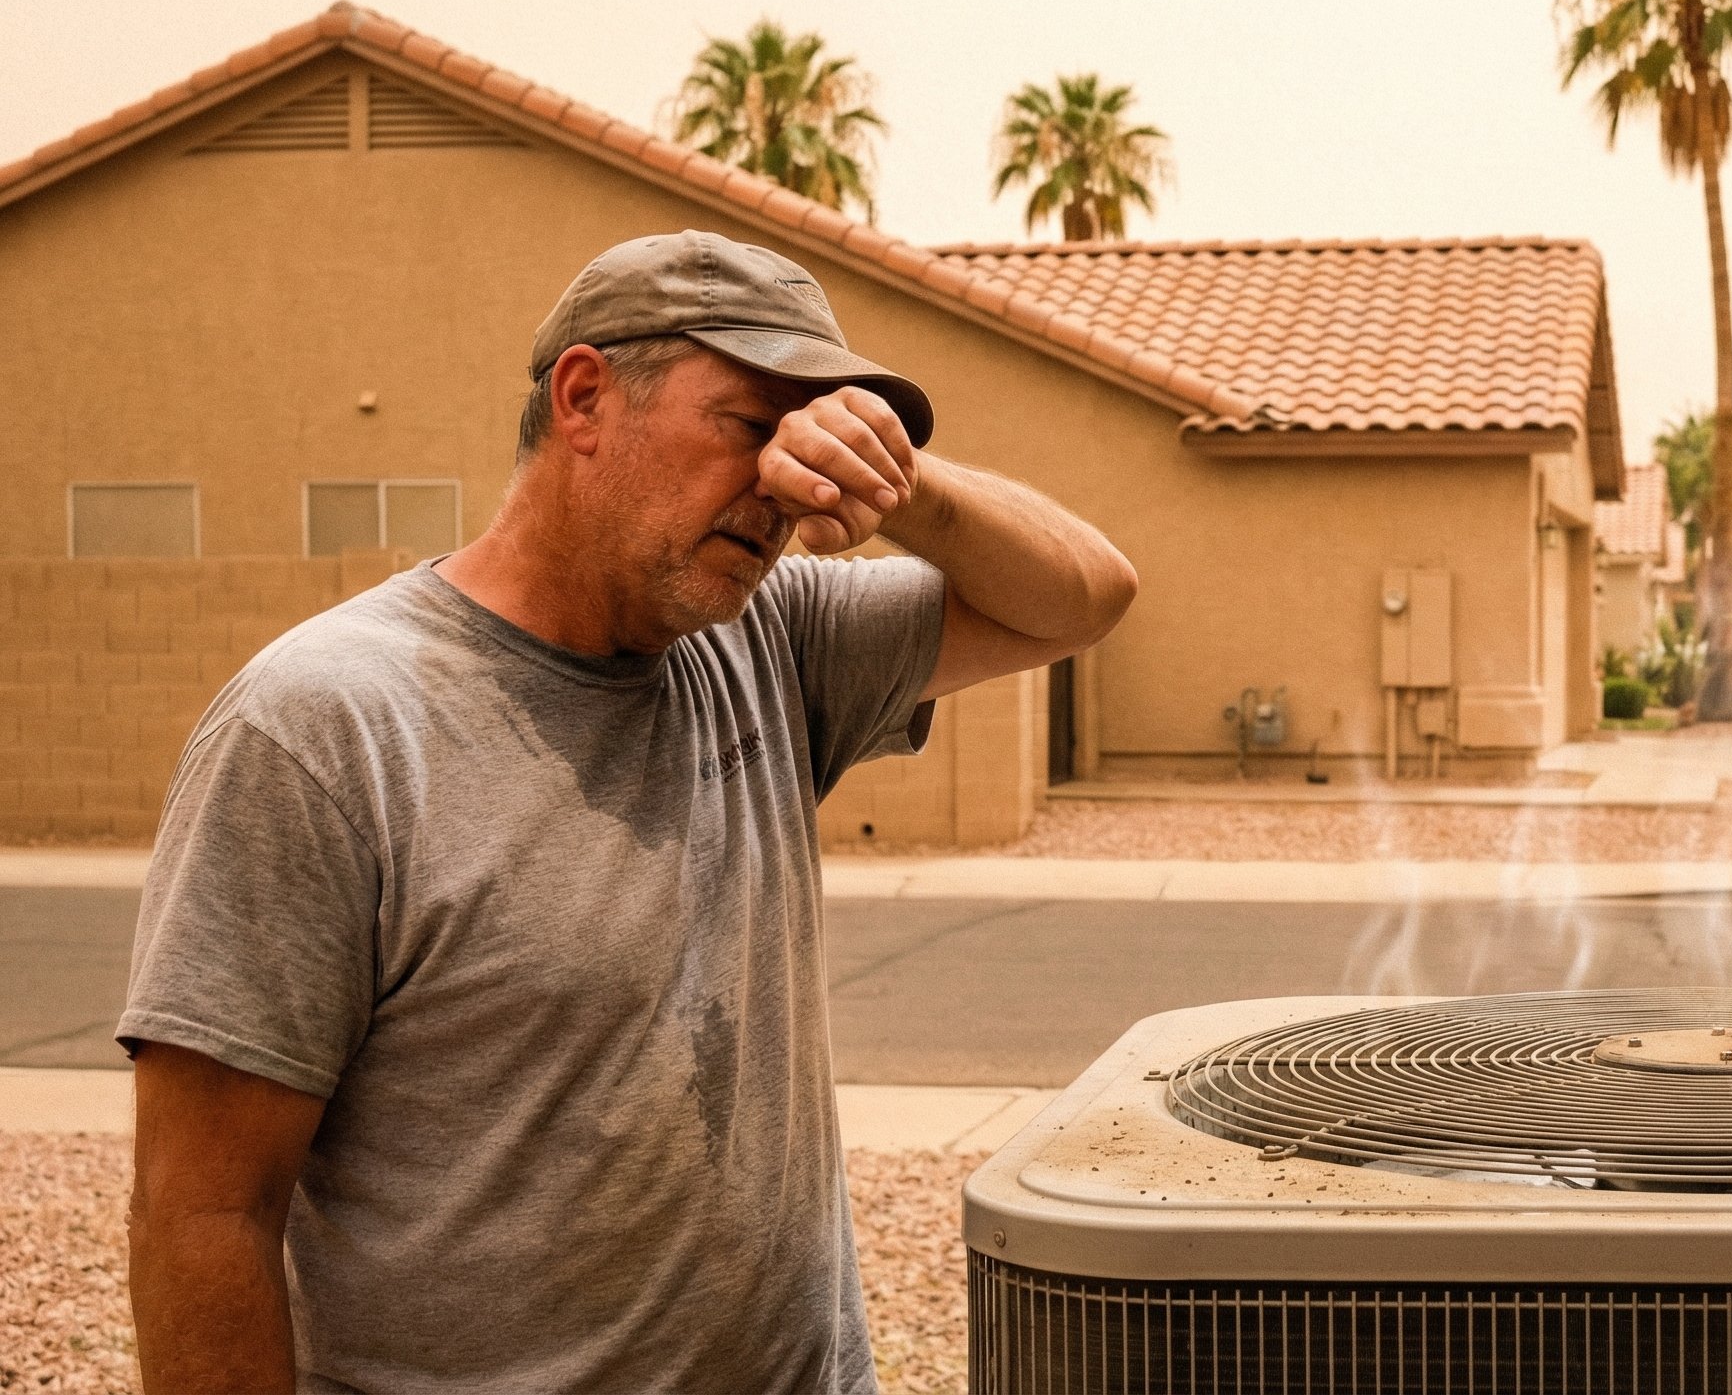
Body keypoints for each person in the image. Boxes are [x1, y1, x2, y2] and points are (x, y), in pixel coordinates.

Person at [119, 230, 1136, 1392]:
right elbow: (201, 1212)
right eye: (755, 425)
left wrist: (901, 479)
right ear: (586, 396)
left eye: (817, 435)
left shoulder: (768, 639)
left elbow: (1084, 598)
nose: (784, 484)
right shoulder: (327, 725)